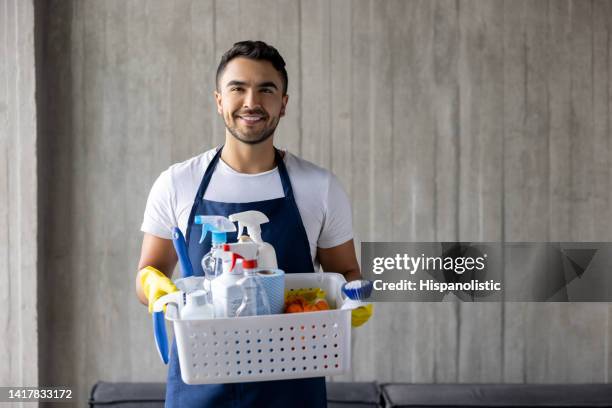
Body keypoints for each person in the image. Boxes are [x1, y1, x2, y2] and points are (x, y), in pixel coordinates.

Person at [135, 40, 372, 408]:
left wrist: (353, 299)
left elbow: (345, 271)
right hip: (200, 387)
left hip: (293, 388)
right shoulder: (177, 183)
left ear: (284, 103)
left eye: (266, 89)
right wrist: (155, 287)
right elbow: (147, 271)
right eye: (238, 88)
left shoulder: (320, 187)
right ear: (218, 100)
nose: (251, 102)